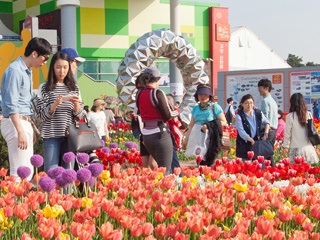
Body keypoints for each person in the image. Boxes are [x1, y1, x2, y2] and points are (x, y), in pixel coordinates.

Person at [0, 37, 52, 181]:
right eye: (44, 58)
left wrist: (30, 127)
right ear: (34, 54)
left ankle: (20, 202)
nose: (45, 63)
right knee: (19, 173)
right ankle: (14, 203)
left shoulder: (26, 71)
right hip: (15, 122)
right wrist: (20, 130)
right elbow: (12, 104)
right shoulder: (15, 71)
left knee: (27, 172)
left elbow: (24, 104)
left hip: (23, 122)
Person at [35, 51, 86, 172]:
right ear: (52, 67)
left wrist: (76, 106)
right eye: (58, 67)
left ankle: (67, 192)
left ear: (69, 68)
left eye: (65, 67)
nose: (61, 71)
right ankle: (51, 192)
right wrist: (55, 105)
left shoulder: (74, 88)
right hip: (51, 136)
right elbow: (40, 117)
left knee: (68, 172)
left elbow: (80, 116)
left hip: (70, 136)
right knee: (51, 171)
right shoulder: (44, 88)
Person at [136, 66, 179, 175]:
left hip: (146, 134)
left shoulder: (139, 94)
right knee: (165, 170)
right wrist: (177, 111)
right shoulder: (158, 93)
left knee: (155, 169)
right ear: (158, 79)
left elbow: (140, 112)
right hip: (160, 133)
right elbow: (168, 115)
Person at [184, 84, 228, 166]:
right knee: (200, 161)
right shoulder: (196, 108)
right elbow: (191, 125)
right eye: (200, 94)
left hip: (211, 138)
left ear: (209, 96)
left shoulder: (215, 107)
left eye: (205, 94)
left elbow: (224, 122)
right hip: (198, 138)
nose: (202, 96)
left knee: (210, 160)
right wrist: (186, 140)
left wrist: (208, 126)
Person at [282, 93, 319, 164]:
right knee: (307, 173)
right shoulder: (308, 114)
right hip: (308, 149)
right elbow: (312, 131)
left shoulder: (290, 116)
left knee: (297, 173)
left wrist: (285, 147)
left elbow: (287, 134)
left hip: (296, 150)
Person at [235, 94, 271, 161]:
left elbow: (267, 122)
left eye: (251, 103)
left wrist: (266, 134)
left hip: (257, 143)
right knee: (247, 165)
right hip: (244, 144)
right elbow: (241, 131)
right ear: (242, 104)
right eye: (246, 103)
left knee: (258, 165)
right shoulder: (239, 115)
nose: (249, 105)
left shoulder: (258, 113)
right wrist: (250, 140)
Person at [258, 78, 278, 165]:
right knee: (269, 154)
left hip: (267, 131)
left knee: (264, 157)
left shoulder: (265, 101)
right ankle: (273, 172)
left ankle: (268, 174)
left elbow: (265, 119)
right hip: (273, 132)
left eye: (260, 89)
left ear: (266, 88)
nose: (259, 91)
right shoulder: (273, 101)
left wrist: (265, 133)